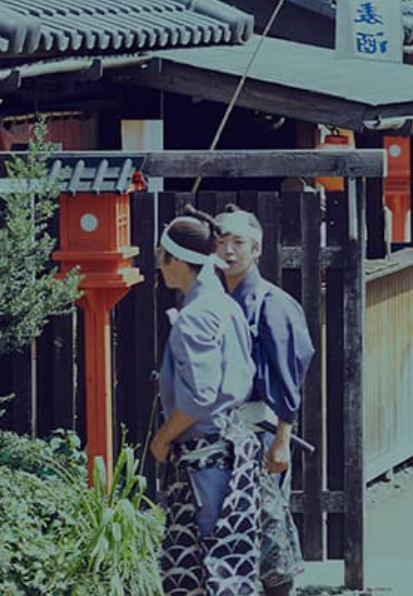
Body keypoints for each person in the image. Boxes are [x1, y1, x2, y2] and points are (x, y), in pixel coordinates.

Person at [150, 215, 263, 596]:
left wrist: (163, 439)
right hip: (231, 446)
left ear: (179, 260)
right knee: (227, 562)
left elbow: (199, 396)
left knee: (211, 566)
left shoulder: (195, 316)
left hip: (206, 455)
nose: (159, 265)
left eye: (162, 257)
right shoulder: (224, 304)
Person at [209, 205, 317, 596]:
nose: (229, 251)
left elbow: (289, 377)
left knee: (267, 519)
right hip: (222, 428)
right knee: (230, 521)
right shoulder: (218, 300)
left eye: (238, 242)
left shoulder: (272, 304)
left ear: (257, 249)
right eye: (222, 242)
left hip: (261, 428)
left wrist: (283, 438)